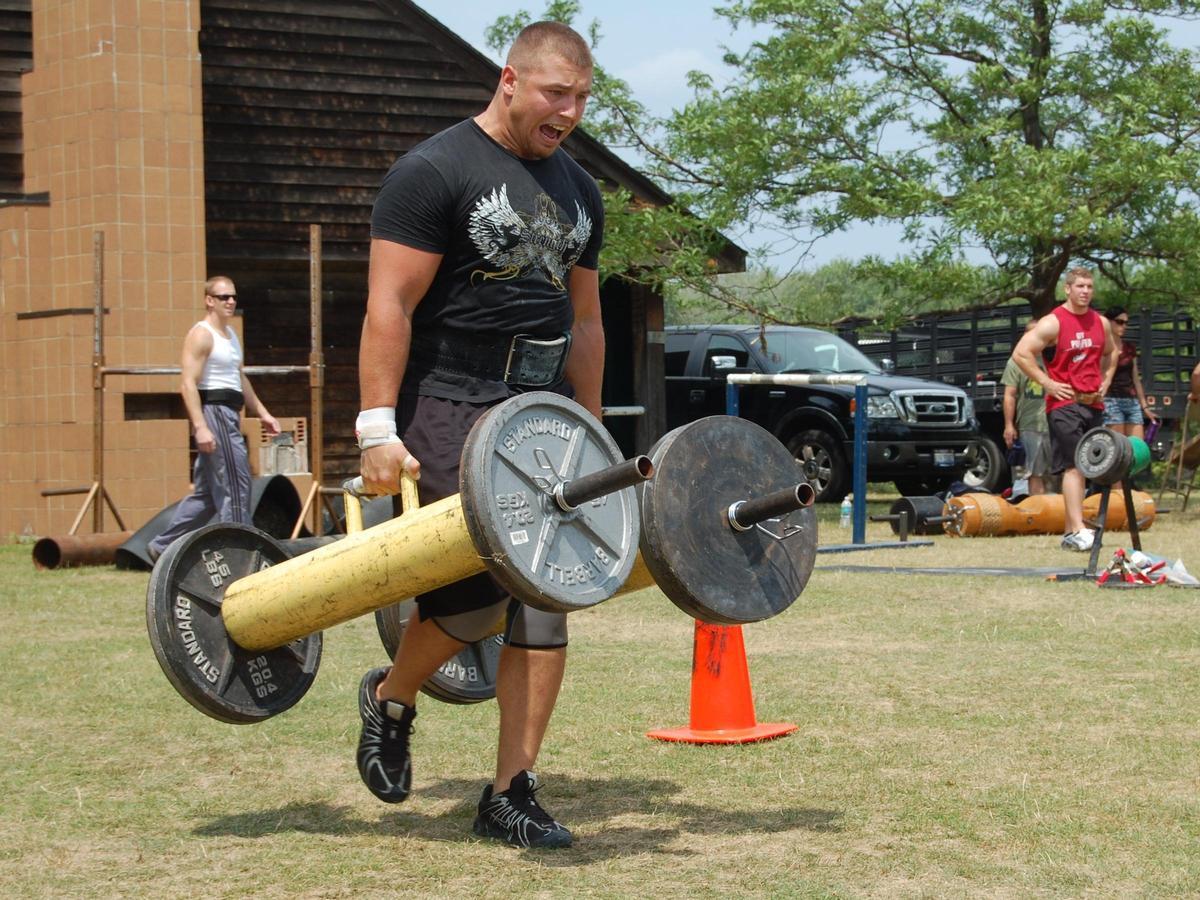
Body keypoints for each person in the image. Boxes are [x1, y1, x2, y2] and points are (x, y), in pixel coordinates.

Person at [353, 21, 604, 849]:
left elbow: (587, 317)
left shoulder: (580, 190)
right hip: (451, 395)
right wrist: (376, 429)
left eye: (580, 97)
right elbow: (390, 305)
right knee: (474, 602)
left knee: (548, 588)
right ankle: (392, 695)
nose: (567, 112)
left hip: (539, 403)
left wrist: (592, 419)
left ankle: (511, 792)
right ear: (509, 80)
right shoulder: (434, 171)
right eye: (554, 94)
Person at [147, 276, 279, 561]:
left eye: (233, 297)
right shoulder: (201, 334)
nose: (230, 302)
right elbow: (187, 384)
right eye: (223, 297)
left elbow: (238, 378)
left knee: (206, 497)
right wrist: (200, 427)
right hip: (214, 413)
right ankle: (239, 553)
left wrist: (264, 413)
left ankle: (161, 546)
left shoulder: (231, 336)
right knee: (236, 483)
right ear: (209, 300)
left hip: (230, 412)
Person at [1012, 267, 1118, 551]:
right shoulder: (1053, 322)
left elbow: (1112, 352)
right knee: (1074, 465)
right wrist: (1047, 382)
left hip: (1092, 403)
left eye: (1089, 287)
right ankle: (1078, 529)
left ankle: (1073, 530)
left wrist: (1105, 380)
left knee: (1089, 466)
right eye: (1080, 286)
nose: (1085, 291)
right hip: (1063, 403)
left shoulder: (1101, 323)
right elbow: (1021, 353)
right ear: (1067, 289)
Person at [1001, 320, 1051, 495]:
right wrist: (1009, 425)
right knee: (1035, 473)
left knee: (1058, 472)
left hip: (1055, 421)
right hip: (1030, 424)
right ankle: (1040, 516)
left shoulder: (1051, 358)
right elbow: (1009, 394)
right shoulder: (1016, 361)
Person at [1101, 305, 1158, 442]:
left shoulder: (1129, 347)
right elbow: (1100, 374)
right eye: (1119, 322)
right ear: (1108, 322)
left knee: (1138, 449)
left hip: (1131, 402)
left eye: (1126, 323)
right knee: (1118, 448)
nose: (1124, 326)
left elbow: (1135, 379)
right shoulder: (1102, 347)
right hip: (1111, 400)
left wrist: (1144, 406)